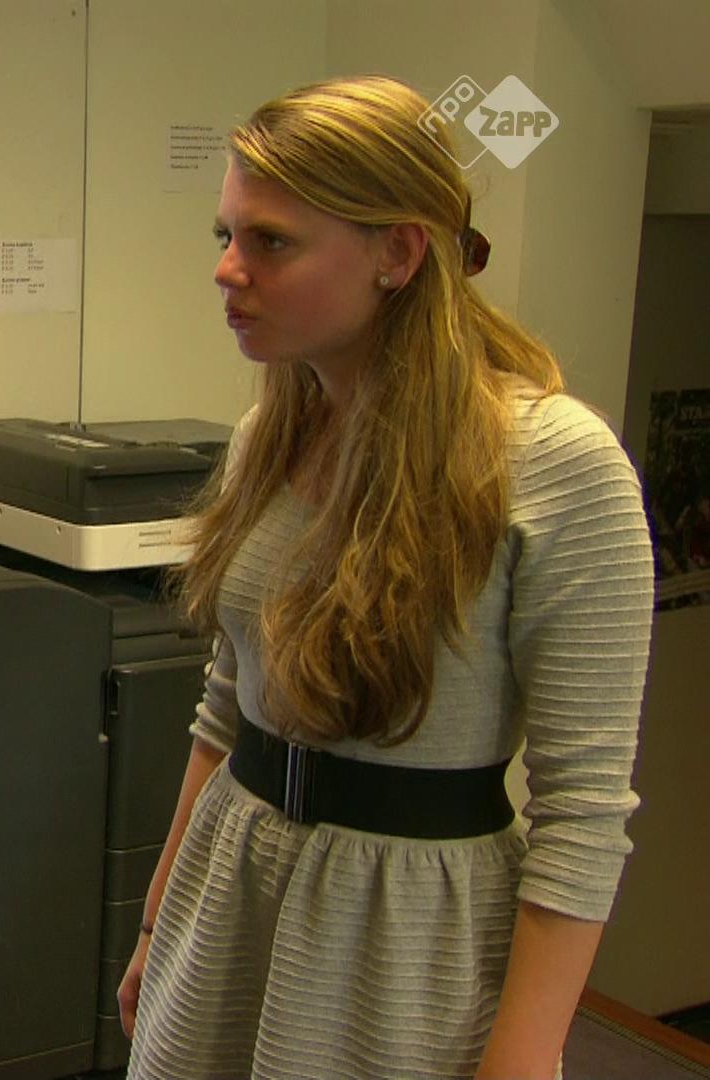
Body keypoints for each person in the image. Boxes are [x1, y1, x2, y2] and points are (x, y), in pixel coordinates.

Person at [117, 76, 654, 1079]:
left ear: (398, 255)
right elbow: (227, 708)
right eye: (226, 234)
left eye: (271, 241)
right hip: (232, 891)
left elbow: (582, 815)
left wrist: (520, 1061)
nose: (227, 268)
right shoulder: (268, 437)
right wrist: (157, 925)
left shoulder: (556, 463)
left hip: (404, 939)